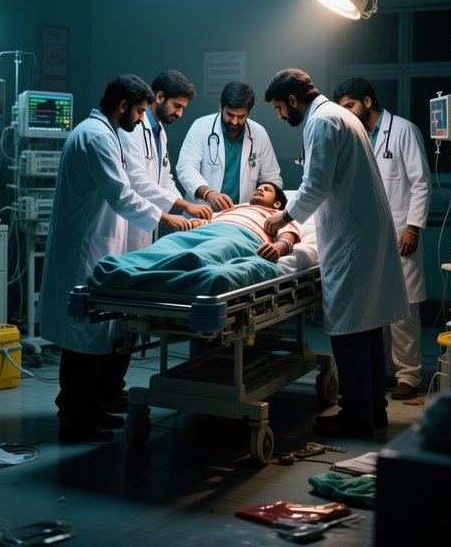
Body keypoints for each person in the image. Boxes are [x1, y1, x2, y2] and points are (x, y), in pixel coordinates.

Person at [37, 74, 193, 443]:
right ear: (123, 106)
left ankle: (91, 410)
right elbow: (122, 193)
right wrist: (165, 217)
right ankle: (74, 418)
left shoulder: (106, 133)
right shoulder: (95, 137)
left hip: (102, 242)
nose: (141, 119)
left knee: (96, 333)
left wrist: (172, 208)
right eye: (139, 111)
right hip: (85, 247)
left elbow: (133, 188)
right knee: (82, 336)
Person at [263, 68, 409, 438]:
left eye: (280, 108)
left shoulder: (324, 121)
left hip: (351, 237)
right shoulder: (341, 116)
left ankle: (356, 415)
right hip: (363, 230)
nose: (281, 116)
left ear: (293, 100)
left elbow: (315, 185)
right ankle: (373, 409)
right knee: (368, 325)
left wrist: (282, 218)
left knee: (349, 328)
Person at [333, 77, 432, 401]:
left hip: (401, 231)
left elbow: (420, 182)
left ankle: (409, 374)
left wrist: (414, 228)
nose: (346, 112)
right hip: (370, 235)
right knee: (379, 306)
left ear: (368, 101)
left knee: (406, 309)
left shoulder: (403, 130)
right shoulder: (355, 134)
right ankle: (388, 371)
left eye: (350, 106)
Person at [88, 183, 301, 295]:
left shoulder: (277, 216)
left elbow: (288, 234)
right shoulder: (234, 208)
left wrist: (280, 247)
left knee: (198, 256)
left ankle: (136, 280)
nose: (260, 189)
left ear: (277, 204)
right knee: (164, 246)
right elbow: (202, 223)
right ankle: (118, 267)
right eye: (259, 187)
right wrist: (186, 224)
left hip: (240, 237)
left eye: (267, 189)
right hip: (209, 230)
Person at [121, 70, 213, 252]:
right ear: (160, 97)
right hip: (128, 222)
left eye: (183, 108)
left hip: (147, 224)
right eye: (177, 106)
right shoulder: (132, 127)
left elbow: (165, 178)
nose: (179, 113)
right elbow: (137, 181)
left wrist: (184, 207)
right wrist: (185, 205)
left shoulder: (159, 131)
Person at [177, 81, 282, 211]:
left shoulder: (259, 133)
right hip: (203, 213)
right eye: (230, 115)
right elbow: (185, 168)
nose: (234, 121)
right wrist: (209, 194)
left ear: (249, 112)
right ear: (221, 106)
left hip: (240, 217)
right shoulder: (201, 126)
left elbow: (272, 178)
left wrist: (264, 209)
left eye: (241, 116)